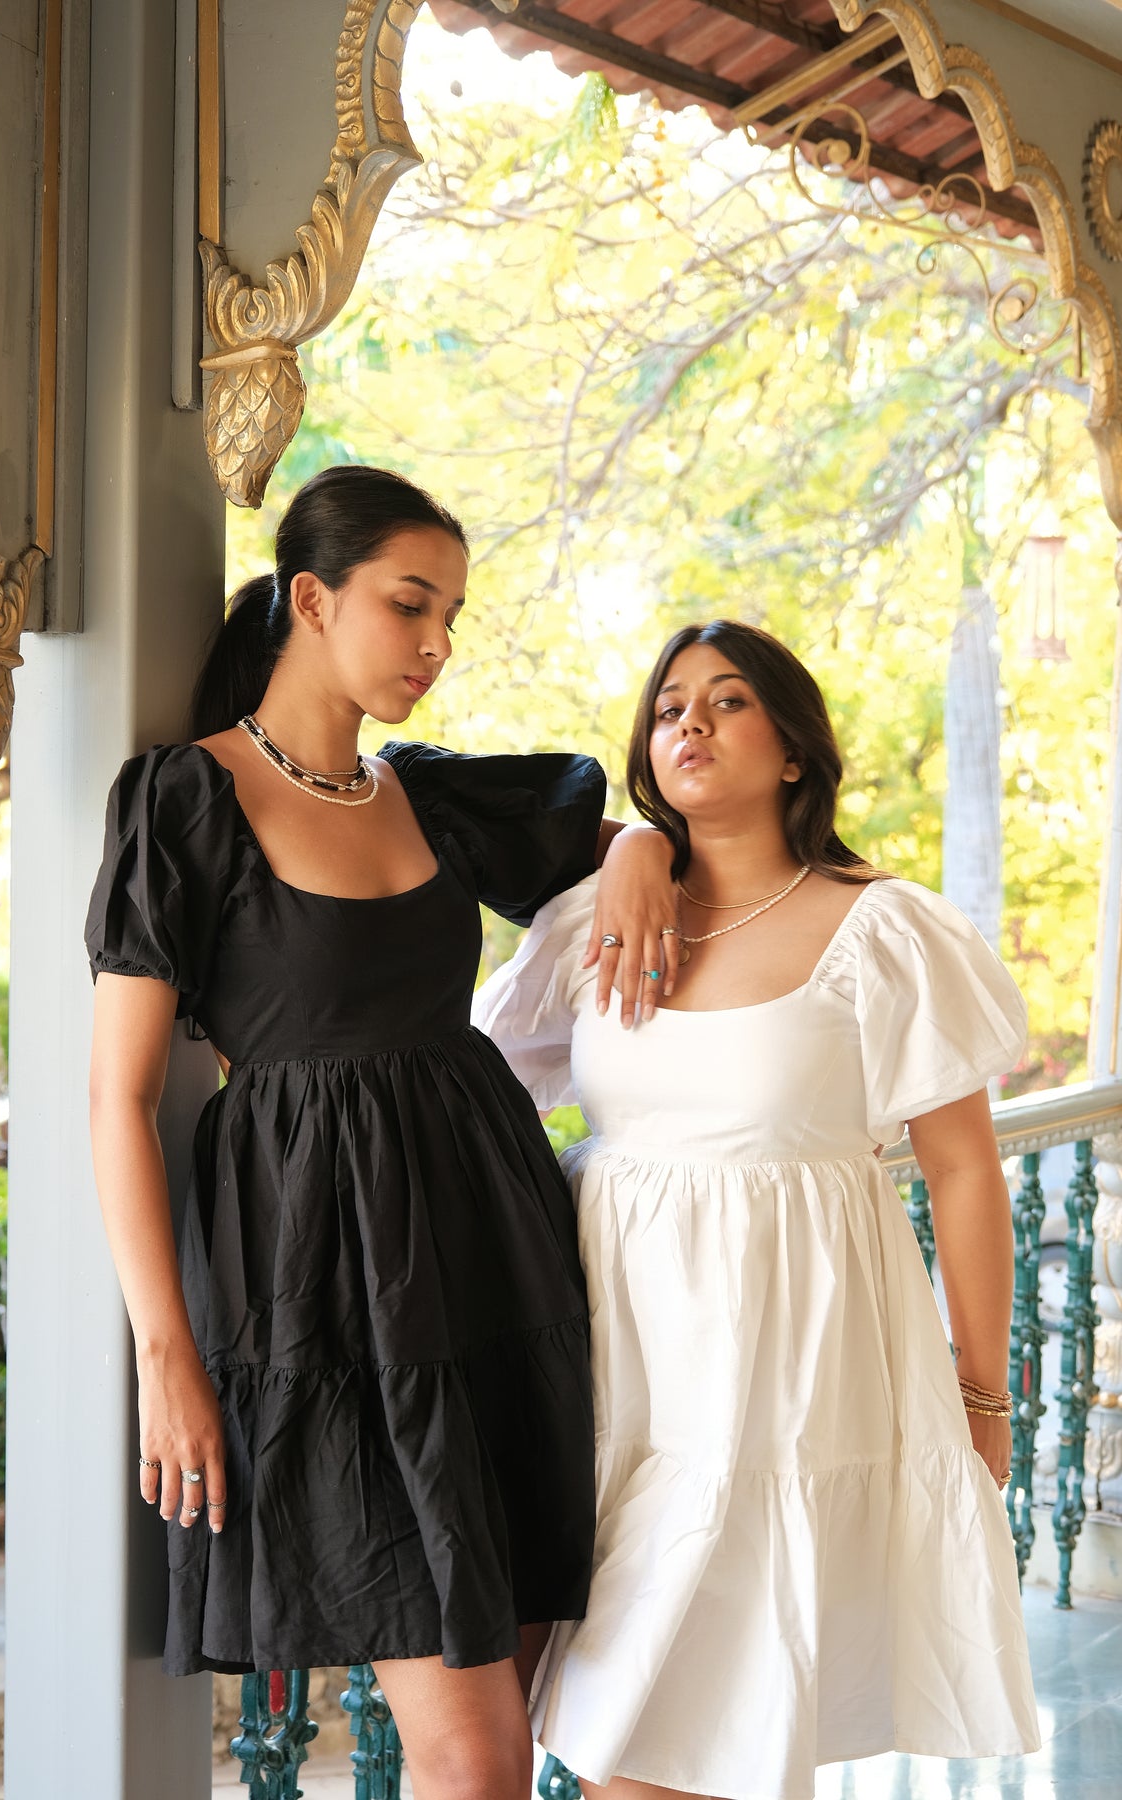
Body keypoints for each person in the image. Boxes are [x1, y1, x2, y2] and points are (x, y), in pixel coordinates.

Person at [83, 464, 677, 1800]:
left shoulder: (429, 796)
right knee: (472, 1755)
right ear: (312, 598)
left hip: (498, 1259)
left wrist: (639, 847)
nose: (436, 642)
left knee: (522, 1720)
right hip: (325, 1291)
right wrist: (165, 1356)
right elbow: (115, 1095)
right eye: (411, 605)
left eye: (450, 614)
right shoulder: (188, 799)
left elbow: (614, 836)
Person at [473, 619, 1041, 1800]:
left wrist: (981, 1389)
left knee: (687, 1730)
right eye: (669, 706)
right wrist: (634, 846)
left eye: (728, 701)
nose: (691, 722)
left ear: (793, 751)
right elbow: (471, 1091)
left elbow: (964, 1171)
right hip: (608, 1374)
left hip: (779, 1383)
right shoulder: (593, 922)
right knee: (656, 1732)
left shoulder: (885, 930)